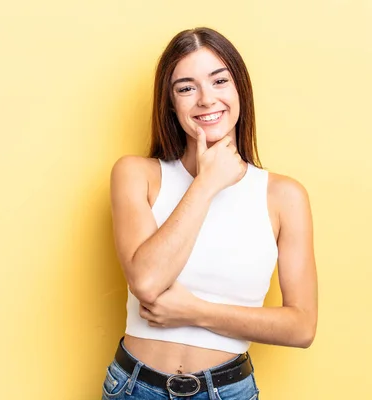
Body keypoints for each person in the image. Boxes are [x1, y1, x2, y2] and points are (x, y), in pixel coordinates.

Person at [103, 27, 317, 400]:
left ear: (239, 91)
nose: (206, 99)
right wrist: (206, 184)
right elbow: (147, 281)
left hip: (228, 390)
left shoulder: (284, 196)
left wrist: (195, 311)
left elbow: (301, 327)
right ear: (170, 103)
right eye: (186, 88)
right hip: (135, 388)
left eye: (219, 81)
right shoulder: (136, 174)